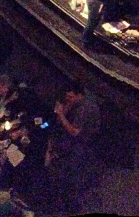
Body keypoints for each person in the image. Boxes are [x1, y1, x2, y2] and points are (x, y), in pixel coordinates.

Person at [45, 83, 101, 214]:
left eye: (70, 97)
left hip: (82, 144)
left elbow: (75, 132)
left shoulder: (86, 109)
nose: (68, 99)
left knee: (66, 175)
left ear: (79, 95)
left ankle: (65, 204)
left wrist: (61, 114)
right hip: (71, 140)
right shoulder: (76, 102)